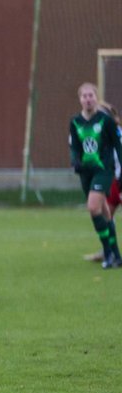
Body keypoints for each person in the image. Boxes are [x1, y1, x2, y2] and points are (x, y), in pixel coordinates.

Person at [70, 82, 122, 269]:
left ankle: (107, 253)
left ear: (96, 97)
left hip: (104, 170)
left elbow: (118, 145)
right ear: (80, 99)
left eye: (91, 95)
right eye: (84, 96)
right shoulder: (75, 122)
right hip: (86, 173)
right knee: (105, 213)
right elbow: (75, 147)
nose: (88, 99)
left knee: (93, 208)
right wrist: (74, 160)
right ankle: (116, 254)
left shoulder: (105, 121)